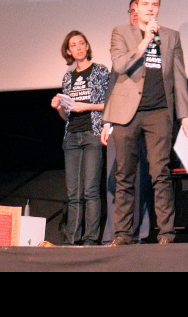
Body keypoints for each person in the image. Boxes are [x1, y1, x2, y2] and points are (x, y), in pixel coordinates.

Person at [104, 0, 188, 244]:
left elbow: (178, 77)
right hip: (126, 114)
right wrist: (144, 41)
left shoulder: (171, 36)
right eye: (145, 4)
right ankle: (122, 234)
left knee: (160, 173)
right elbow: (120, 64)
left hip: (158, 112)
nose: (150, 8)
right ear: (137, 7)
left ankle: (165, 232)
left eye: (155, 4)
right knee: (125, 175)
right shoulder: (120, 32)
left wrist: (184, 115)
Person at [51, 30, 111, 245]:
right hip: (72, 136)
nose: (78, 47)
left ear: (87, 46)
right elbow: (66, 114)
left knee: (90, 191)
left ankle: (90, 239)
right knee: (73, 193)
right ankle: (71, 239)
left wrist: (87, 106)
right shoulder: (68, 77)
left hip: (93, 133)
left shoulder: (101, 71)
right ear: (68, 51)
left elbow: (110, 102)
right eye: (73, 45)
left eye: (81, 43)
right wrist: (58, 107)